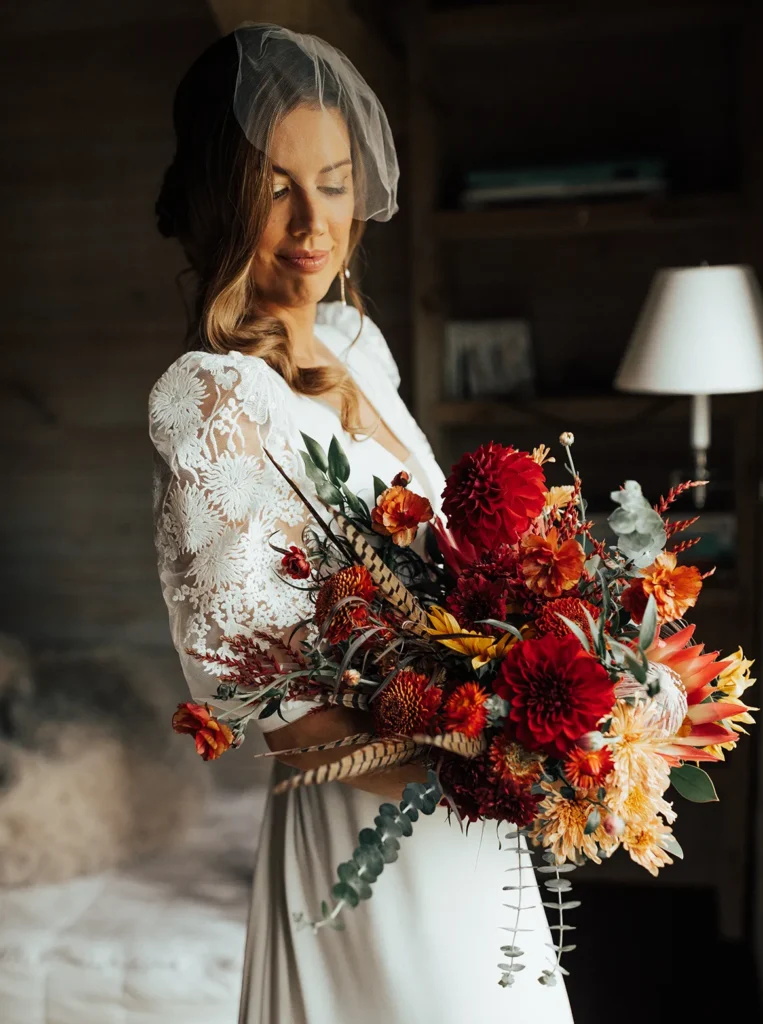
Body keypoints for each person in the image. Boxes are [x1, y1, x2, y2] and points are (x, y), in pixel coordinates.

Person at [149, 23, 574, 1024]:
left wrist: (555, 719)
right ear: (222, 195)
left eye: (333, 181)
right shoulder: (210, 399)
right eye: (276, 185)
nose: (313, 220)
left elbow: (454, 572)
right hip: (366, 841)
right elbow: (273, 710)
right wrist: (485, 773)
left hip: (474, 820)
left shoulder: (356, 341)